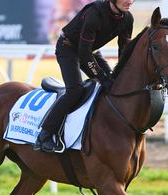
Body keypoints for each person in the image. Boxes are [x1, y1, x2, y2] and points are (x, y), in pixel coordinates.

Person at [33, 0, 134, 152]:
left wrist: (123, 75)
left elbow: (124, 52)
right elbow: (83, 55)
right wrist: (102, 78)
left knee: (114, 84)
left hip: (89, 50)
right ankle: (45, 134)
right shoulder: (94, 13)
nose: (130, 1)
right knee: (75, 90)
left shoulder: (128, 18)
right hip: (68, 48)